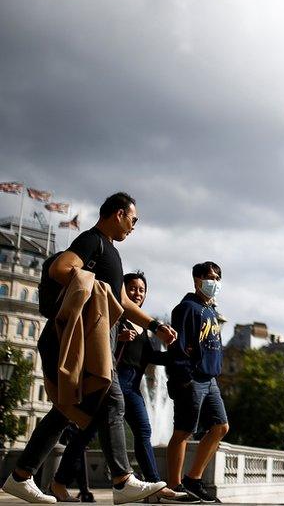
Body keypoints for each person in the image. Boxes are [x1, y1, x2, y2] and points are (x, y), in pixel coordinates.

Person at [2, 192, 177, 504]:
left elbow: (122, 302)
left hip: (92, 341)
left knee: (65, 410)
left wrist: (154, 325)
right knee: (113, 401)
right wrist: (96, 289)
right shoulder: (91, 240)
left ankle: (21, 476)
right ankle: (122, 480)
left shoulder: (110, 251)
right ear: (119, 213)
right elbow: (61, 268)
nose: (133, 227)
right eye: (133, 220)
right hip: (79, 339)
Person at [50, 272, 195, 503]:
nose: (137, 293)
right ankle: (58, 482)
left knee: (143, 432)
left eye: (141, 290)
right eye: (132, 288)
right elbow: (94, 345)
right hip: (110, 385)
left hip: (133, 389)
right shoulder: (115, 316)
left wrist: (182, 353)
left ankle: (154, 487)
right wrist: (117, 339)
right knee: (85, 435)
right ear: (122, 291)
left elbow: (151, 358)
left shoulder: (144, 328)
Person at [165, 261, 230, 503]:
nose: (215, 282)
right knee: (183, 431)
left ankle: (194, 478)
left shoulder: (211, 311)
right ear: (197, 280)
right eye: (210, 277)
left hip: (210, 378)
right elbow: (177, 346)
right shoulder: (186, 309)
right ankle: (174, 486)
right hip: (192, 378)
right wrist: (183, 378)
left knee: (221, 427)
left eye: (218, 278)